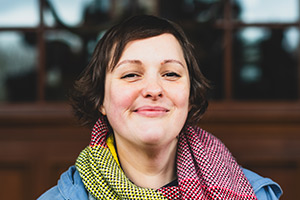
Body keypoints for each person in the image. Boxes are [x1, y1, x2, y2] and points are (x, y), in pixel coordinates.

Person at [37, 15, 282, 200]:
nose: (153, 89)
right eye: (131, 74)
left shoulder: (257, 194)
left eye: (171, 74)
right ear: (100, 99)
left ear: (190, 95)